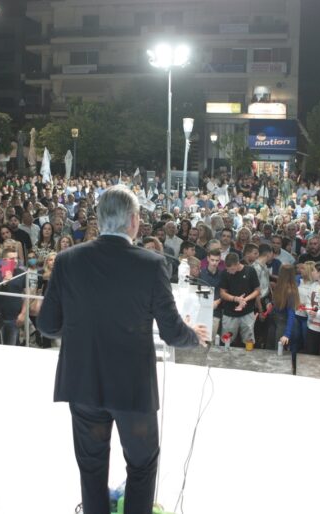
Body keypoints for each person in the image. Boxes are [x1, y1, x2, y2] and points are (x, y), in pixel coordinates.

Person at [37, 185, 206, 514]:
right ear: (133, 220)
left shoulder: (68, 260)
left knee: (92, 466)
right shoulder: (151, 264)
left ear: (100, 220)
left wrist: (79, 328)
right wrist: (193, 336)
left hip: (83, 381)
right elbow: (172, 332)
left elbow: (46, 324)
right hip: (131, 388)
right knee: (142, 465)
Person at [219, 252, 260, 350]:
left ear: (237, 264)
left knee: (249, 339)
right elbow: (222, 293)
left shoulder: (250, 271)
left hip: (247, 312)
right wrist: (236, 299)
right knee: (226, 339)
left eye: (232, 269)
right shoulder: (225, 273)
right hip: (229, 312)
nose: (229, 272)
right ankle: (225, 354)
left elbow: (257, 290)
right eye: (228, 269)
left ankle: (249, 354)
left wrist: (245, 299)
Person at [271, 263, 299, 373]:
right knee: (273, 348)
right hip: (277, 320)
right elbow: (279, 305)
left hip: (284, 323)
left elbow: (291, 314)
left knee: (279, 352)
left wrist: (287, 334)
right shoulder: (280, 287)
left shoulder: (290, 291)